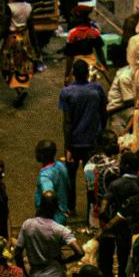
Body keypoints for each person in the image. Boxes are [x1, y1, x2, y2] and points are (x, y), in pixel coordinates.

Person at [58, 58, 107, 215]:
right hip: (93, 142)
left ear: (73, 74)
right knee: (92, 180)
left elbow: (67, 122)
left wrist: (67, 147)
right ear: (87, 73)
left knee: (70, 178)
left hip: (74, 142)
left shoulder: (67, 92)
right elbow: (104, 113)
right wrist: (102, 133)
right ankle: (91, 210)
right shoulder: (97, 89)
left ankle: (71, 208)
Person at [0, 0, 36, 108]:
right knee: (22, 65)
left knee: (8, 65)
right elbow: (31, 27)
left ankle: (19, 90)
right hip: (24, 38)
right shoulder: (28, 7)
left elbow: (5, 28)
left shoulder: (9, 8)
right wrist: (36, 47)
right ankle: (21, 88)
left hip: (12, 39)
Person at [33, 139, 70, 225]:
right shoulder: (61, 165)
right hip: (63, 212)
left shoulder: (45, 176)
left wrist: (38, 217)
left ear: (42, 155)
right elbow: (68, 185)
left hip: (52, 219)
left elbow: (49, 198)